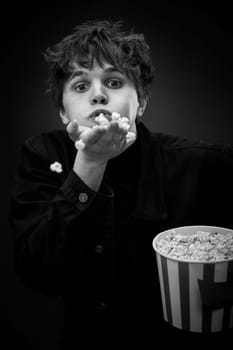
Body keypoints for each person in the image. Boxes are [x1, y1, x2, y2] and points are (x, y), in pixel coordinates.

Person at [9, 19, 233, 349]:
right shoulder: (43, 156)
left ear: (140, 102)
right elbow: (37, 272)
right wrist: (90, 163)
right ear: (62, 111)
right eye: (81, 86)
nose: (98, 95)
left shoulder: (205, 164)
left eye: (114, 82)